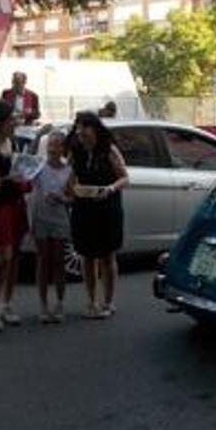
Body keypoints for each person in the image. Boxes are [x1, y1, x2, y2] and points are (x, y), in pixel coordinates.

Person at [67, 112, 129, 319]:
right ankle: (91, 301)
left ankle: (108, 302)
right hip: (84, 208)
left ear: (95, 129)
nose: (80, 132)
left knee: (107, 255)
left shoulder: (108, 150)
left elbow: (124, 178)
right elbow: (71, 180)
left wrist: (110, 189)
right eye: (78, 128)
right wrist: (73, 189)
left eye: (85, 127)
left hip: (107, 207)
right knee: (86, 255)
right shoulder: (76, 152)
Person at [0, 100, 30, 331]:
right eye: (12, 119)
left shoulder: (14, 143)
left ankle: (7, 303)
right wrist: (7, 180)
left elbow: (19, 174)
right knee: (3, 257)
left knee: (15, 257)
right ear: (0, 122)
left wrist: (26, 175)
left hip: (16, 204)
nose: (15, 123)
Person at [30, 130, 71, 323]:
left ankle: (60, 303)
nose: (53, 149)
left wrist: (62, 198)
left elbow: (72, 197)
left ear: (64, 148)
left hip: (59, 217)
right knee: (42, 260)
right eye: (50, 145)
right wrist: (38, 136)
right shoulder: (39, 166)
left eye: (57, 145)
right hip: (41, 216)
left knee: (59, 261)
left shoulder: (69, 170)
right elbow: (24, 162)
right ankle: (43, 305)